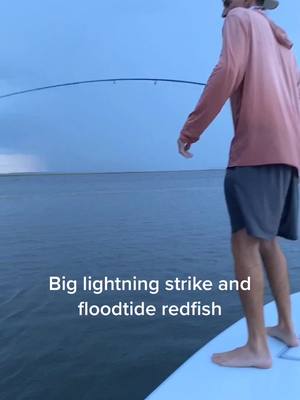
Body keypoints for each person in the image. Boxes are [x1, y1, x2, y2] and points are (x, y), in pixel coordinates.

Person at [177, 0, 300, 368]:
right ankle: (287, 328)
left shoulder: (239, 19)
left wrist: (191, 130)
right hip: (288, 152)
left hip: (255, 151)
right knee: (266, 241)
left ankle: (257, 346)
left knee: (243, 242)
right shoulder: (284, 45)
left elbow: (227, 69)